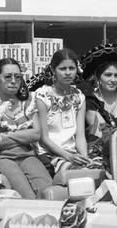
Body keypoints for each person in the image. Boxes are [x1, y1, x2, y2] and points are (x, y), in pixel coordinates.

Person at [0, 58, 53, 199]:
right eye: (8, 76)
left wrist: (5, 136)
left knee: (48, 191)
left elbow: (36, 134)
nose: (13, 81)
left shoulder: (27, 101)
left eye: (17, 77)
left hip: (28, 155)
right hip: (1, 157)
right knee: (26, 196)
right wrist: (24, 135)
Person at [30, 48, 92, 176]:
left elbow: (80, 135)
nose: (68, 73)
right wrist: (68, 157)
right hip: (49, 154)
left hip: (73, 153)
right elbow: (44, 138)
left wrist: (84, 157)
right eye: (63, 69)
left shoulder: (79, 96)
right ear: (53, 70)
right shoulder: (42, 96)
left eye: (72, 68)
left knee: (98, 170)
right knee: (78, 175)